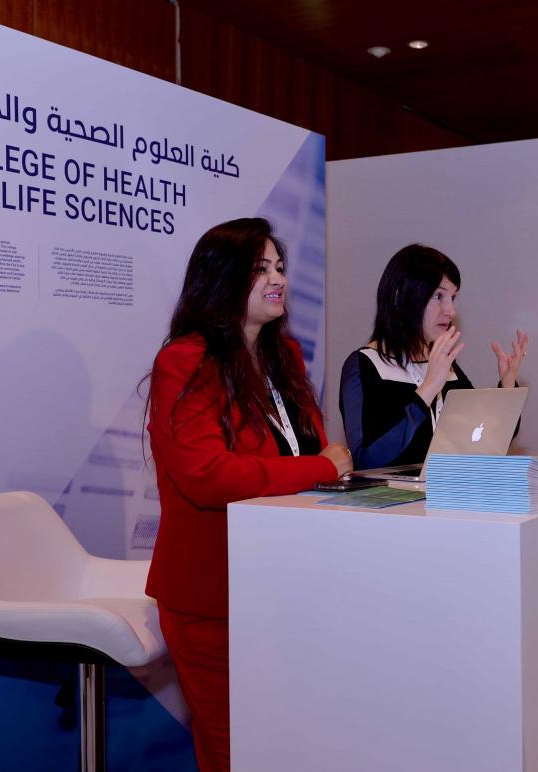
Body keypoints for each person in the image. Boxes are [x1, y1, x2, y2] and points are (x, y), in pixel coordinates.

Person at [145, 218, 352, 771]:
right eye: (260, 269)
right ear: (222, 280)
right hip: (214, 595)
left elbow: (309, 452)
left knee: (290, 748)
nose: (277, 279)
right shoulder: (185, 360)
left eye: (279, 267)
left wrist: (323, 468)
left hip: (290, 587)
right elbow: (208, 475)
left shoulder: (286, 358)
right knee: (235, 753)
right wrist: (320, 468)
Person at [339, 243, 529, 469]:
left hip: (448, 488)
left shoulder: (443, 363)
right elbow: (366, 460)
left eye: (453, 298)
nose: (451, 311)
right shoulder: (364, 365)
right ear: (402, 297)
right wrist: (428, 387)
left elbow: (485, 440)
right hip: (392, 492)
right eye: (438, 296)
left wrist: (507, 385)